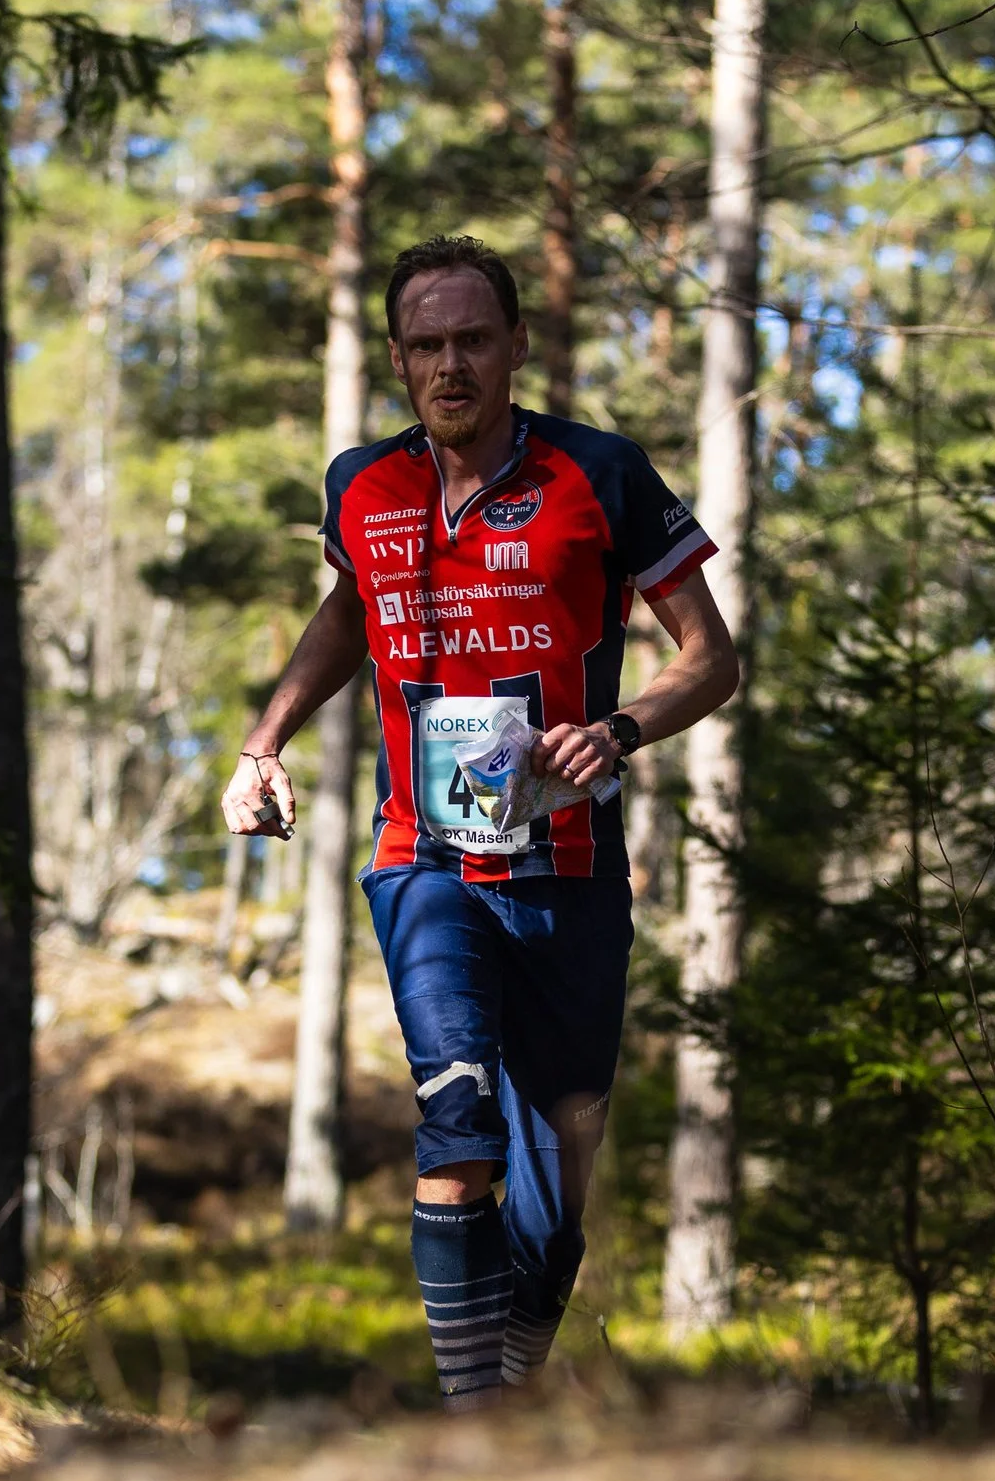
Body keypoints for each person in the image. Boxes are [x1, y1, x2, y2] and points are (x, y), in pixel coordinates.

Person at [221, 234, 742, 1411]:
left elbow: (712, 659)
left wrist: (619, 730)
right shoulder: (363, 484)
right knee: (455, 1119)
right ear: (400, 360)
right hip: (424, 863)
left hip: (569, 869)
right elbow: (349, 608)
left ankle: (510, 1398)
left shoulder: (599, 474)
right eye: (426, 345)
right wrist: (265, 742)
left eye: (471, 339)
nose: (449, 364)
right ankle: (469, 1429)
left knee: (559, 1183)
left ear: (515, 347)